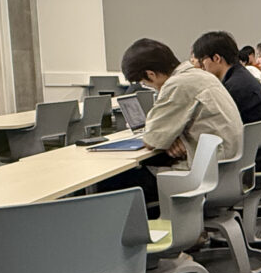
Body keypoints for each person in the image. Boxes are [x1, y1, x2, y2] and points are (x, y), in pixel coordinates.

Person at [103, 38, 243, 206]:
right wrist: (172, 137)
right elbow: (162, 134)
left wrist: (165, 138)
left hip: (205, 176)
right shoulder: (201, 75)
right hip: (225, 170)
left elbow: (152, 139)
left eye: (144, 82)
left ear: (150, 74)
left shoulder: (177, 84)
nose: (149, 86)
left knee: (112, 181)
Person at [192, 31, 261, 150]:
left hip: (249, 153)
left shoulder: (235, 87)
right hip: (259, 149)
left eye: (202, 60)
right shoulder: (240, 77)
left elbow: (214, 126)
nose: (202, 66)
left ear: (216, 58)